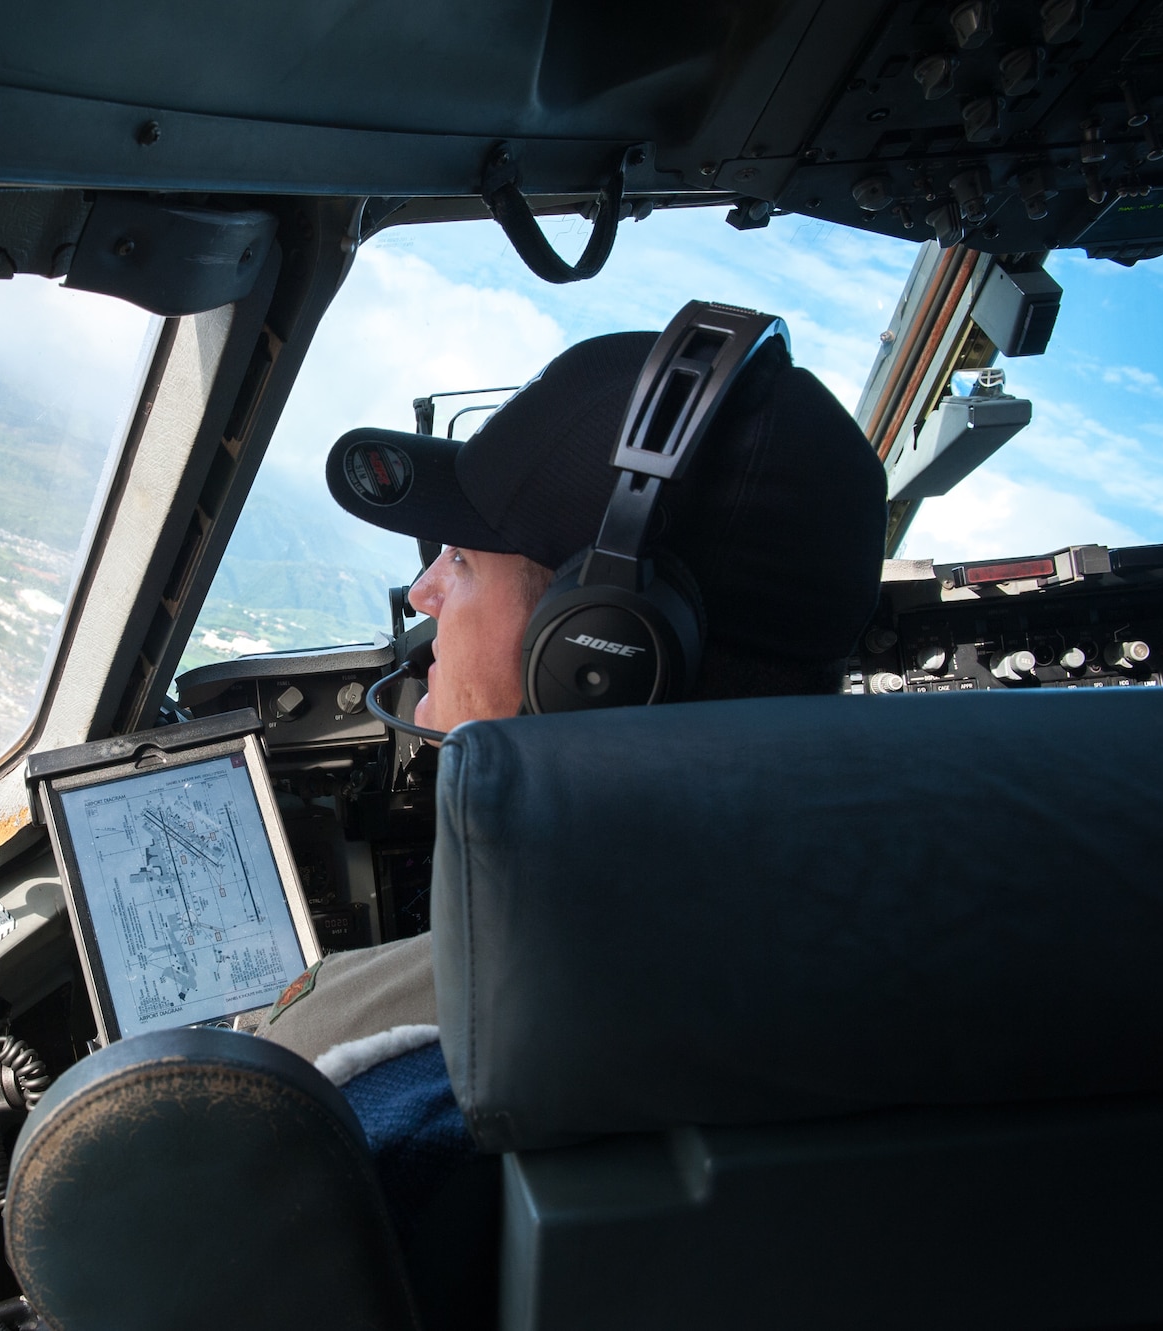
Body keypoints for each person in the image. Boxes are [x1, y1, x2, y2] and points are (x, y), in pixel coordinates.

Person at [251, 323, 885, 1262]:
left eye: (462, 561)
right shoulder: (925, 975)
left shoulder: (378, 1094)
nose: (423, 591)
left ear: (599, 655)